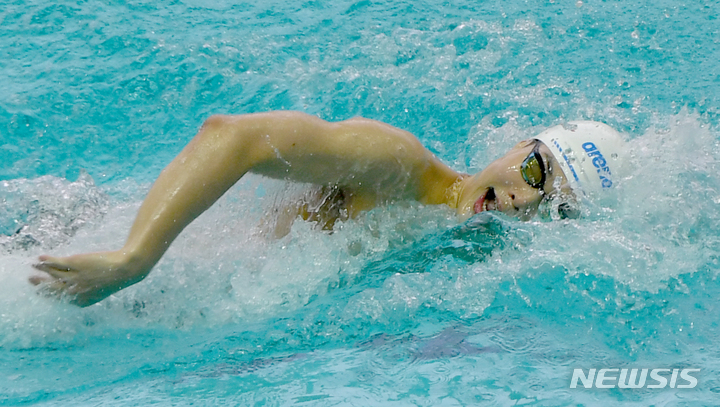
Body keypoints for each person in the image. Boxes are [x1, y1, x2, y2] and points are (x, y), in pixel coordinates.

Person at [30, 111, 625, 306]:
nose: (526, 200)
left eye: (555, 209)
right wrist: (136, 258)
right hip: (116, 270)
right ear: (518, 145)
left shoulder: (466, 269)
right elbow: (231, 136)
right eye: (536, 171)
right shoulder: (396, 164)